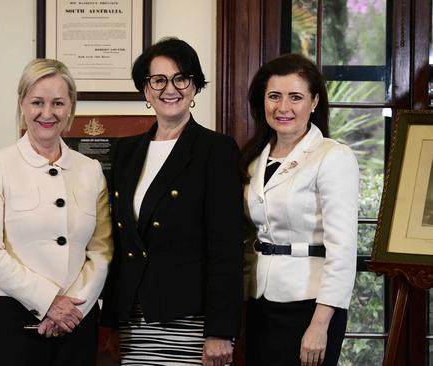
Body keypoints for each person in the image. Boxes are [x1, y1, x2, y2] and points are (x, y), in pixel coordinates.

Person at [100, 37, 244, 366]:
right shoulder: (126, 151)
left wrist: (221, 331)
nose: (171, 88)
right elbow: (119, 247)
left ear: (194, 87)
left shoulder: (216, 150)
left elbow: (226, 248)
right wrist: (110, 321)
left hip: (191, 320)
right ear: (145, 90)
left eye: (181, 78)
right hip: (133, 321)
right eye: (158, 80)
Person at [0, 58, 113, 365]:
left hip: (77, 317)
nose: (47, 113)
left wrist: (72, 309)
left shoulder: (90, 170)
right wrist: (48, 302)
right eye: (37, 102)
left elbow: (101, 250)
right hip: (13, 318)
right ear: (22, 104)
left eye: (58, 103)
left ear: (70, 107)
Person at [241, 53, 359, 366]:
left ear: (315, 101)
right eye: (274, 96)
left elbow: (343, 248)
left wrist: (321, 324)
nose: (283, 108)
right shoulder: (252, 158)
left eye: (296, 97)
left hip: (311, 303)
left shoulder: (333, 156)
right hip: (258, 299)